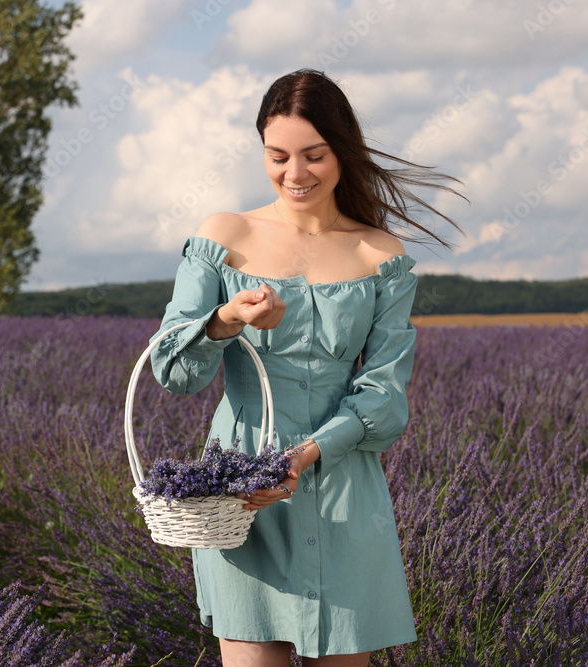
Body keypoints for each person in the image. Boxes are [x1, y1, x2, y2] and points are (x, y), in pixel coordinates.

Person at [149, 69, 463, 666]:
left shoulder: (381, 256)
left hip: (346, 490)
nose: (295, 174)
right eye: (278, 156)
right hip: (243, 495)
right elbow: (173, 370)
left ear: (343, 150)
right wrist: (226, 318)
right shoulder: (223, 236)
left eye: (314, 155)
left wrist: (306, 455)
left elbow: (384, 398)